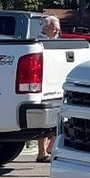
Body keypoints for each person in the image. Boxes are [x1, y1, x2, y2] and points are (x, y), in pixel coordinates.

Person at [36, 15, 61, 162]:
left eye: (58, 31)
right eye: (55, 30)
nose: (57, 33)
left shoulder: (51, 43)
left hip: (52, 85)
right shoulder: (41, 42)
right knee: (44, 121)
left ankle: (47, 149)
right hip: (43, 85)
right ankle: (42, 152)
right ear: (46, 29)